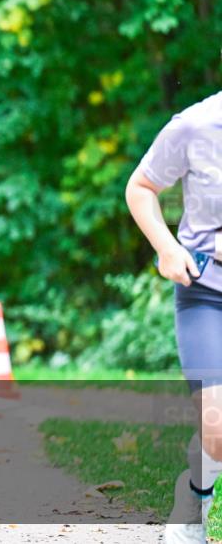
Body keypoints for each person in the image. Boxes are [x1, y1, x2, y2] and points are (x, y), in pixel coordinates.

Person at [126, 91, 221, 543]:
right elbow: (140, 187)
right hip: (207, 292)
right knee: (218, 422)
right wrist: (167, 248)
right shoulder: (194, 125)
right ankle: (194, 498)